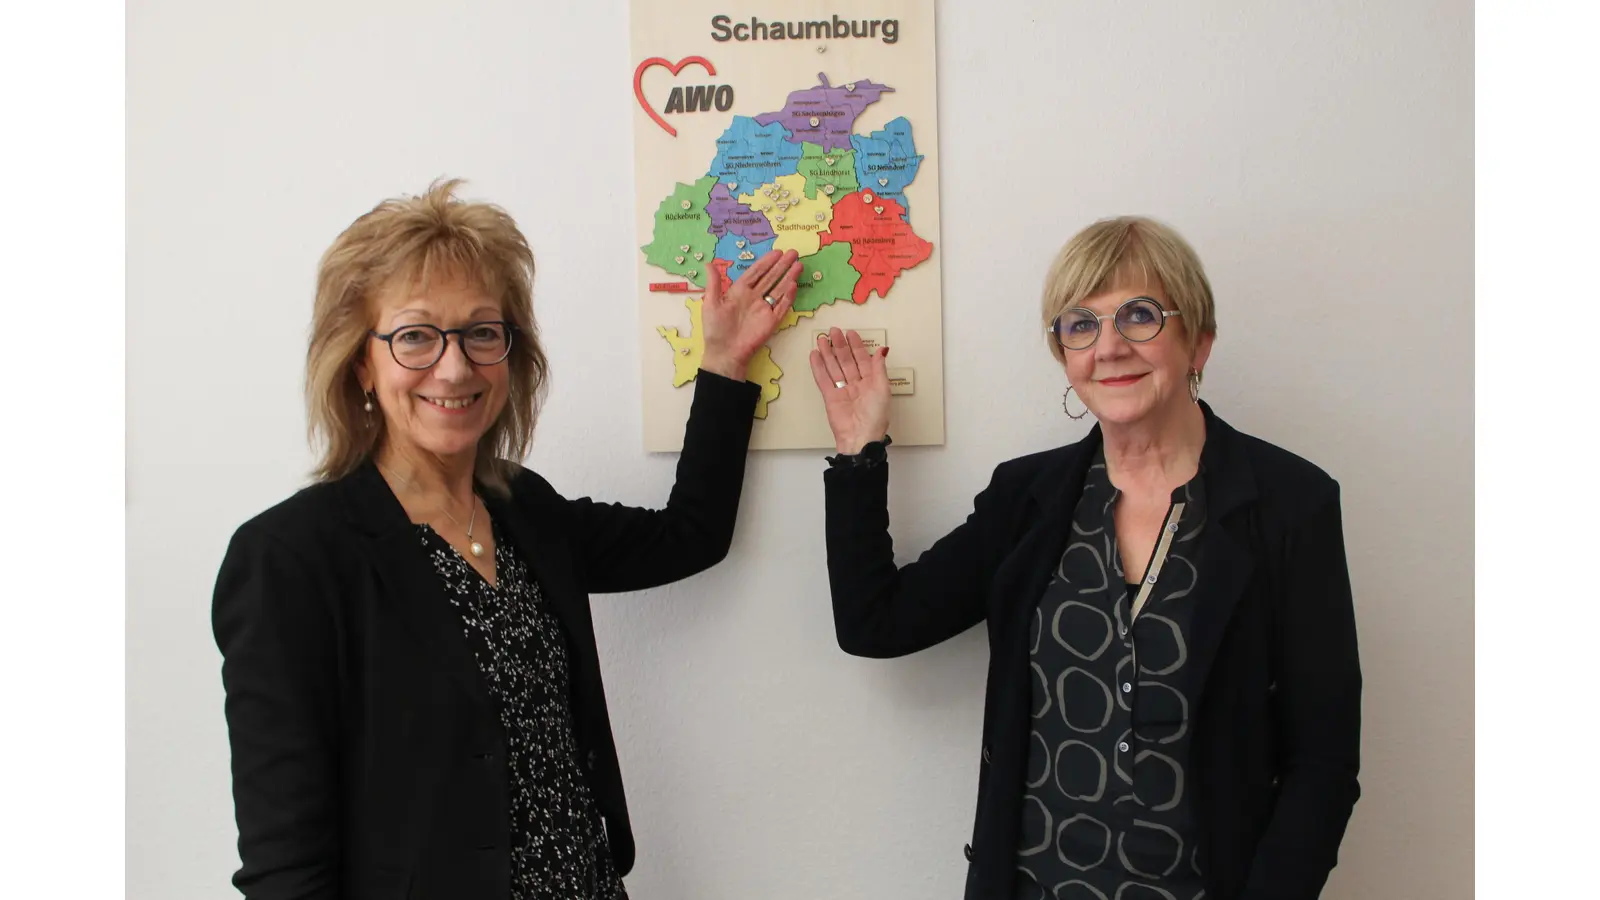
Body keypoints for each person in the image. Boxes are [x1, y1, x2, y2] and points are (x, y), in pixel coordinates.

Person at [211, 179, 801, 900]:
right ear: (361, 361)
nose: (455, 366)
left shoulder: (526, 510)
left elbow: (690, 536)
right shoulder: (291, 559)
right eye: (415, 336)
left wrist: (725, 362)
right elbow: (284, 867)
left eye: (481, 332)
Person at [809, 216, 1362, 900]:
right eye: (1081, 324)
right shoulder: (1026, 500)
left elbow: (1323, 761)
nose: (1110, 347)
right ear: (1064, 355)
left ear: (1199, 341)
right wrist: (858, 452)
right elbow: (876, 623)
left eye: (1141, 315)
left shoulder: (1291, 505)